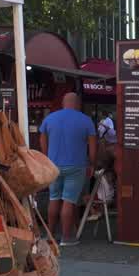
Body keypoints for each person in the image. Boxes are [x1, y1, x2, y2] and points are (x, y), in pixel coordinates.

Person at [39, 92, 96, 246]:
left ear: (63, 103)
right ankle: (66, 237)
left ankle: (50, 235)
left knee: (54, 198)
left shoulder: (49, 119)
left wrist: (46, 159)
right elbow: (92, 148)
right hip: (76, 166)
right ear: (77, 104)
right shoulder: (86, 121)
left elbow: (42, 139)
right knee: (69, 201)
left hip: (53, 165)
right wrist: (91, 164)